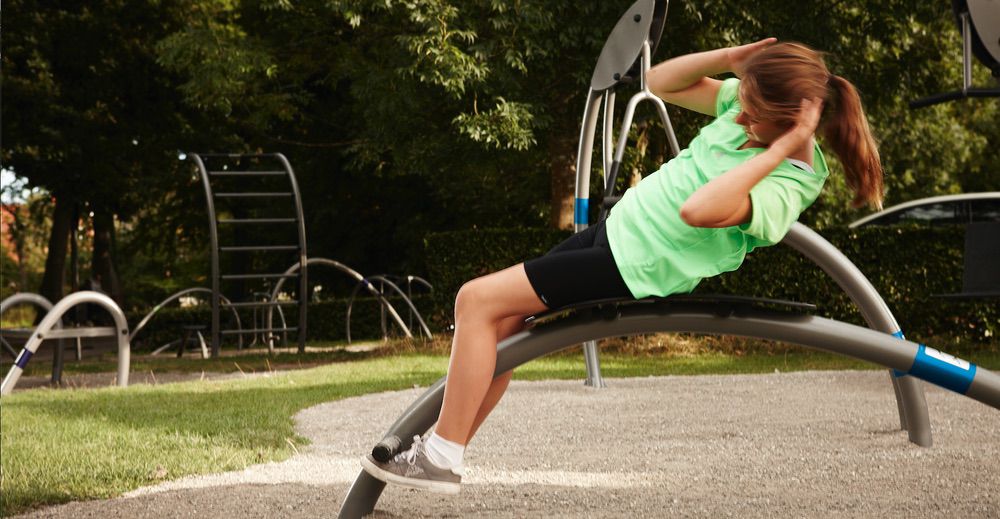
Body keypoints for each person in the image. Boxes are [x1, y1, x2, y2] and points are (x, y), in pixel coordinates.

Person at [361, 39, 884, 494]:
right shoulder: (741, 109)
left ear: (792, 126)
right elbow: (658, 81)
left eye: (753, 114)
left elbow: (698, 211)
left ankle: (442, 456)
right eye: (740, 102)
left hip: (636, 264)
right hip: (614, 234)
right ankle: (441, 453)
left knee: (474, 300)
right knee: (499, 325)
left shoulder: (790, 180)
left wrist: (782, 150)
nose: (739, 116)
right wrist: (732, 59)